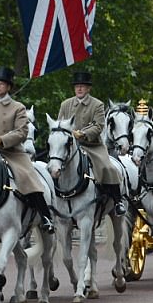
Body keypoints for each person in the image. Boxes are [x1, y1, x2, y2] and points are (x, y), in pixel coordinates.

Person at [0, 67, 54, 233]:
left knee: (28, 178)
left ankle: (45, 216)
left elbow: (22, 131)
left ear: (8, 87)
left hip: (13, 153)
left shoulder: (18, 107)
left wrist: (2, 140)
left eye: (1, 84)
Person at [58, 71, 126, 216]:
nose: (79, 89)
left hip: (92, 146)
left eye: (83, 86)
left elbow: (99, 125)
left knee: (108, 168)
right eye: (77, 86)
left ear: (88, 89)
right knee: (54, 164)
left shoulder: (97, 104)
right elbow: (59, 125)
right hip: (69, 145)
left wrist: (83, 134)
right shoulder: (65, 104)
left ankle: (117, 200)